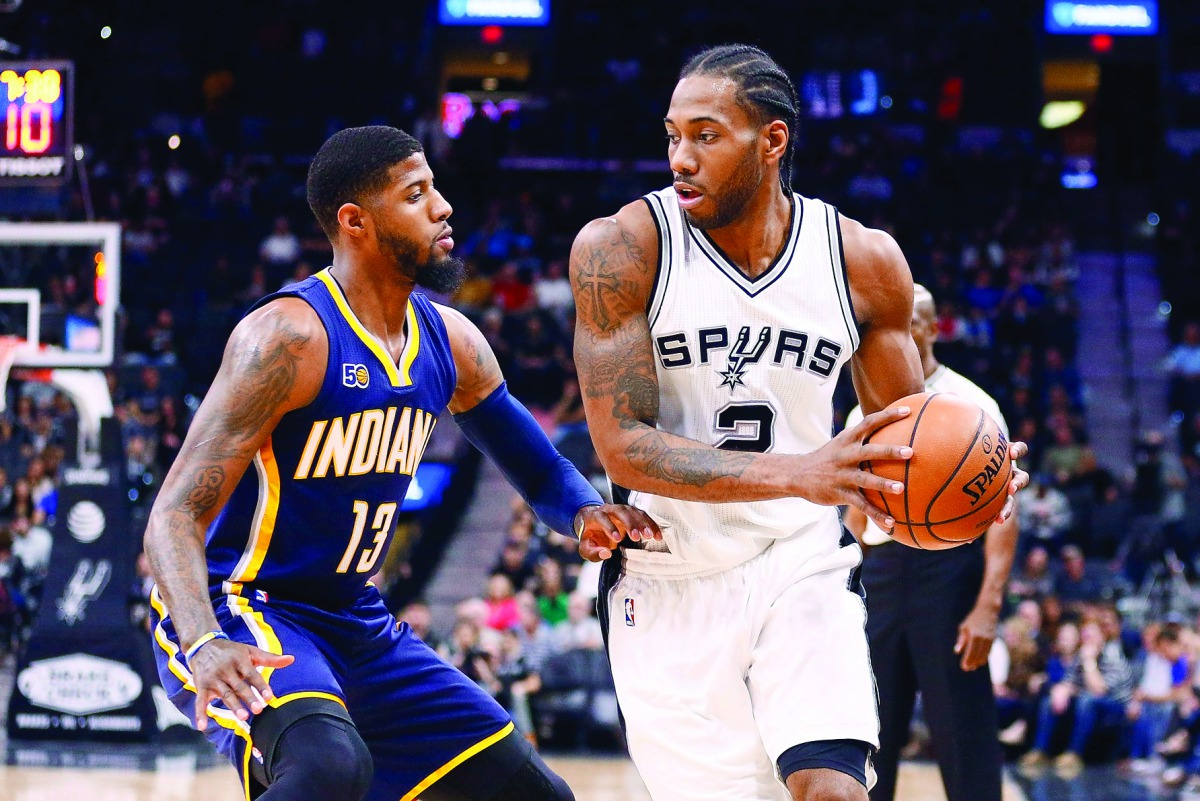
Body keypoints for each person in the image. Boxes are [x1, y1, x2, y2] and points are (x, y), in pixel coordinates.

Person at [144, 126, 661, 801]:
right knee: (329, 765)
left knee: (538, 795)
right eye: (417, 195)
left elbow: (539, 474)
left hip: (355, 617)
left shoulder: (453, 342)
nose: (444, 207)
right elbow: (175, 512)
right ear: (354, 222)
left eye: (436, 188)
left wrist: (583, 511)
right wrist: (204, 639)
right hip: (243, 603)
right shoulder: (288, 339)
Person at [568, 44, 1029, 801]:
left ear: (773, 140)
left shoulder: (863, 261)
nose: (681, 157)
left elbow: (897, 456)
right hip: (668, 577)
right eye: (673, 135)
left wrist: (974, 481)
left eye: (707, 135)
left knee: (834, 789)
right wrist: (802, 473)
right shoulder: (621, 249)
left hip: (803, 566)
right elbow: (624, 446)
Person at [842, 284, 1019, 801]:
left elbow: (1005, 516)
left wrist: (987, 607)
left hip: (948, 570)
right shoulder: (864, 410)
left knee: (961, 724)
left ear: (933, 327)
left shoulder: (973, 406)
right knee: (870, 725)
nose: (896, 331)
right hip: (879, 570)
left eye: (909, 320)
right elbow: (855, 515)